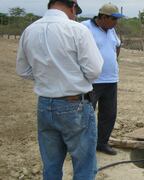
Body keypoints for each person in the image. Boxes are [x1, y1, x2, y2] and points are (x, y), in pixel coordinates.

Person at [16, 0, 104, 179]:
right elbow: (94, 71)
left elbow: (23, 70)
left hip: (45, 104)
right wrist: (70, 78)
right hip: (75, 105)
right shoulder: (77, 30)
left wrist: (47, 77)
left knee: (51, 165)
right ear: (72, 7)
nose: (75, 15)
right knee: (84, 165)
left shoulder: (30, 30)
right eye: (76, 11)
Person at [82, 3, 124, 155]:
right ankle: (83, 147)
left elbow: (118, 45)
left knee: (109, 114)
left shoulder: (111, 30)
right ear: (103, 17)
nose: (116, 22)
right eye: (114, 19)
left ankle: (102, 143)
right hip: (91, 81)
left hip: (111, 80)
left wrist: (113, 61)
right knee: (86, 115)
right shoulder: (84, 27)